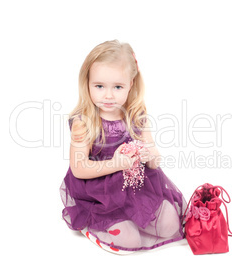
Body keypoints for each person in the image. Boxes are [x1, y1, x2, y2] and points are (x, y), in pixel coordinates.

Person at [60, 40, 186, 254]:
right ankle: (96, 225)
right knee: (129, 242)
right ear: (87, 83)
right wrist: (116, 164)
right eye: (99, 86)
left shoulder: (136, 117)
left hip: (136, 187)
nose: (108, 95)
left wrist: (148, 154)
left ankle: (133, 217)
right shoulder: (85, 121)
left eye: (118, 87)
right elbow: (79, 168)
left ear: (131, 84)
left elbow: (155, 161)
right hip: (99, 192)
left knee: (171, 226)